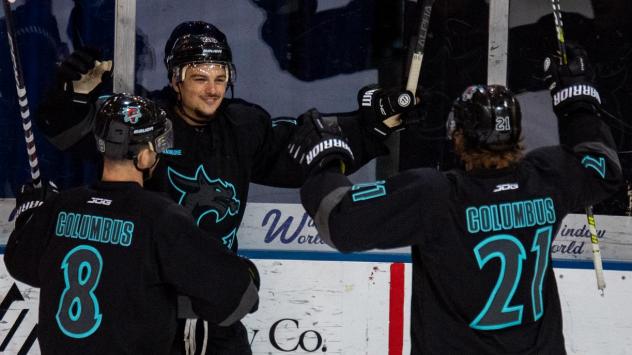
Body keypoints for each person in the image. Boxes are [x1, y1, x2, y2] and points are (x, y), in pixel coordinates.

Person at [35, 21, 416, 354]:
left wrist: (372, 126)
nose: (213, 90)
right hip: (153, 306)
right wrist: (72, 96)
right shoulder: (147, 126)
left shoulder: (242, 126)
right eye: (200, 78)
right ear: (175, 79)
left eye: (220, 78)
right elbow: (74, 135)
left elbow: (301, 148)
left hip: (217, 305)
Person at [297, 46, 622, 353]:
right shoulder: (548, 177)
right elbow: (602, 164)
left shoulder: (436, 195)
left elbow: (340, 221)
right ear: (517, 134)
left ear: (457, 136)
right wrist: (576, 101)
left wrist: (327, 158)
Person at [4, 94, 260, 354]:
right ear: (146, 156)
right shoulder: (159, 217)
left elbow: (21, 264)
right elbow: (238, 297)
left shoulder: (61, 206)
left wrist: (30, 214)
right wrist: (245, 272)